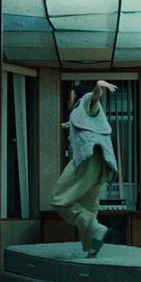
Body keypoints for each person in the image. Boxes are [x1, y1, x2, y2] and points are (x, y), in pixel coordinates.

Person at [51, 79, 118, 257]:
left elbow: (93, 98)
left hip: (87, 161)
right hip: (100, 165)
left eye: (71, 95)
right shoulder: (80, 115)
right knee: (88, 208)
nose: (69, 98)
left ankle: (95, 228)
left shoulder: (85, 103)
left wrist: (98, 87)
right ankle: (91, 249)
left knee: (59, 199)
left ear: (78, 96)